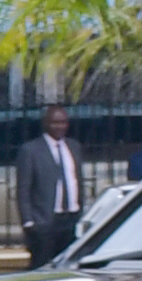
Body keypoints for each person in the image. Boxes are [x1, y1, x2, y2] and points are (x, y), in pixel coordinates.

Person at [15, 101, 85, 264]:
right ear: (46, 123)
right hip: (45, 222)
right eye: (55, 122)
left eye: (63, 122)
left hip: (71, 219)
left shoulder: (74, 147)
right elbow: (23, 189)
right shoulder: (31, 150)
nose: (60, 126)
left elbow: (77, 181)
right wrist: (29, 222)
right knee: (42, 267)